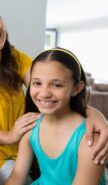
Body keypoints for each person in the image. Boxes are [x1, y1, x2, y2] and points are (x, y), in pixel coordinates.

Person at [0, 0, 108, 185]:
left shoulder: (16, 58)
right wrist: (9, 135)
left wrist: (95, 115)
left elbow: (47, 90)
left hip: (22, 149)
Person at [6, 48, 106, 185]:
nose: (44, 93)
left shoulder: (90, 140)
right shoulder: (31, 126)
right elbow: (17, 176)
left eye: (56, 85)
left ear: (77, 88)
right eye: (37, 83)